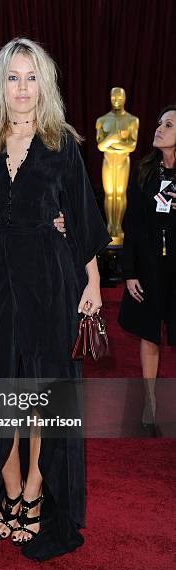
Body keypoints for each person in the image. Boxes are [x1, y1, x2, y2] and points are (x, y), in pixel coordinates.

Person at [0, 38, 110, 561]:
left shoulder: (61, 141)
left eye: (32, 76)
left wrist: (90, 282)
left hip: (49, 275)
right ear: (1, 83)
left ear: (46, 83)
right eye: (13, 77)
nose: (22, 88)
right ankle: (9, 482)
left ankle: (36, 488)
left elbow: (82, 216)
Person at [118, 106, 176, 430]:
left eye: (168, 125)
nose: (159, 128)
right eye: (159, 123)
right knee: (150, 333)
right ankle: (150, 400)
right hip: (151, 268)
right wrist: (130, 272)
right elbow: (133, 226)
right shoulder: (144, 172)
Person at [96, 87, 139, 244]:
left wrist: (111, 142)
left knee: (120, 193)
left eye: (119, 98)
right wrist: (116, 139)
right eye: (114, 98)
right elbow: (100, 146)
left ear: (124, 98)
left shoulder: (132, 120)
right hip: (108, 161)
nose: (116, 101)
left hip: (122, 161)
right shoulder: (102, 120)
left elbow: (131, 146)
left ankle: (118, 226)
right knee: (109, 194)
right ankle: (110, 225)